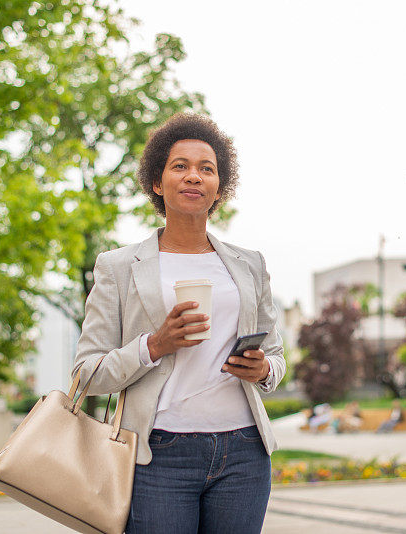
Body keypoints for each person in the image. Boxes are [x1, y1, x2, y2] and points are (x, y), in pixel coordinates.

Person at [71, 114, 286, 534]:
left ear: (219, 188)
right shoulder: (118, 267)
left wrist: (262, 370)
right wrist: (153, 345)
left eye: (207, 169)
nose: (194, 176)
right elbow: (85, 375)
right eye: (180, 166)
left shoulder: (250, 265)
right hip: (158, 452)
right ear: (157, 182)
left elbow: (276, 359)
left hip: (244, 451)